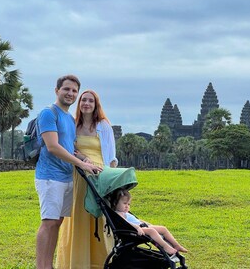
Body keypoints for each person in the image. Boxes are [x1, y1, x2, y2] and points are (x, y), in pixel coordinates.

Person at [35, 76, 101, 269]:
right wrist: (81, 165)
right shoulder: (49, 113)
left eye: (74, 91)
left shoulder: (70, 119)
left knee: (57, 223)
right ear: (57, 91)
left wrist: (84, 159)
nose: (70, 94)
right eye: (66, 89)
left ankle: (48, 265)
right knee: (48, 223)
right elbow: (53, 146)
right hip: (50, 177)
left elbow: (69, 147)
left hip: (66, 178)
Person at [56, 89, 118, 268]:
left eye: (91, 101)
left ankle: (100, 262)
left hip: (99, 175)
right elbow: (71, 150)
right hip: (80, 174)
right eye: (83, 100)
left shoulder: (104, 125)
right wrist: (84, 159)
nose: (87, 104)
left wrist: (110, 182)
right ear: (79, 103)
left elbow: (112, 157)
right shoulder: (73, 125)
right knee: (78, 215)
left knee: (100, 216)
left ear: (96, 104)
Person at [111, 189, 188, 255]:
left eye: (129, 204)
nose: (127, 206)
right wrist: (137, 227)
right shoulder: (118, 214)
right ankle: (165, 247)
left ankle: (176, 245)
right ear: (115, 203)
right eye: (124, 203)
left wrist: (147, 223)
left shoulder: (125, 213)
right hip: (134, 230)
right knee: (151, 231)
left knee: (163, 228)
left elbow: (137, 220)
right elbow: (126, 224)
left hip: (142, 226)